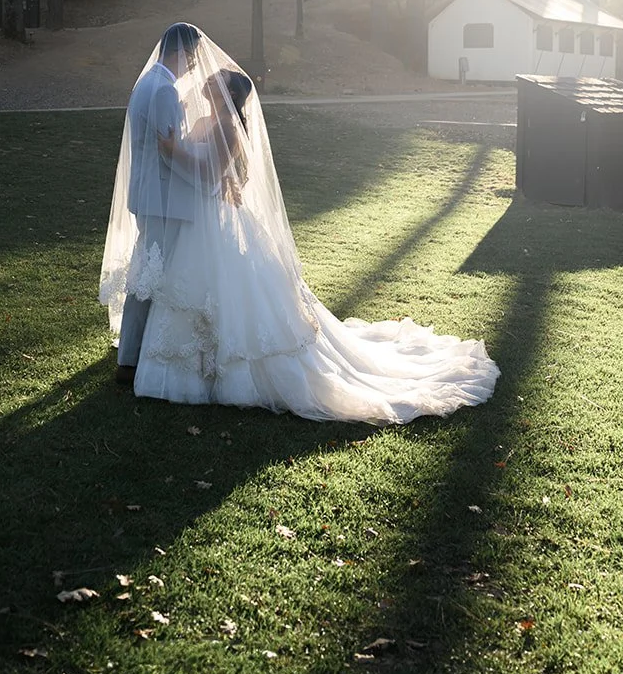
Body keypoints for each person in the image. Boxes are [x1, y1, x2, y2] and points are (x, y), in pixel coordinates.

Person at [100, 29, 499, 424]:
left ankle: (154, 361)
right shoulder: (177, 98)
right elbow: (193, 161)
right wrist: (198, 168)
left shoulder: (201, 114)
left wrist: (198, 167)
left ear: (229, 95)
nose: (204, 72)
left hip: (191, 212)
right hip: (184, 210)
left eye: (217, 77)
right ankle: (145, 359)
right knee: (165, 282)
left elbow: (205, 166)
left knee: (174, 282)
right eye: (201, 64)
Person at [109, 22, 203, 384]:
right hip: (162, 196)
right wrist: (204, 167)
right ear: (178, 52)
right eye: (190, 60)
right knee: (149, 277)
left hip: (149, 192)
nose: (190, 67)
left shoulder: (145, 82)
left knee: (147, 272)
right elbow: (169, 151)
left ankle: (136, 351)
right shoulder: (164, 90)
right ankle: (130, 358)